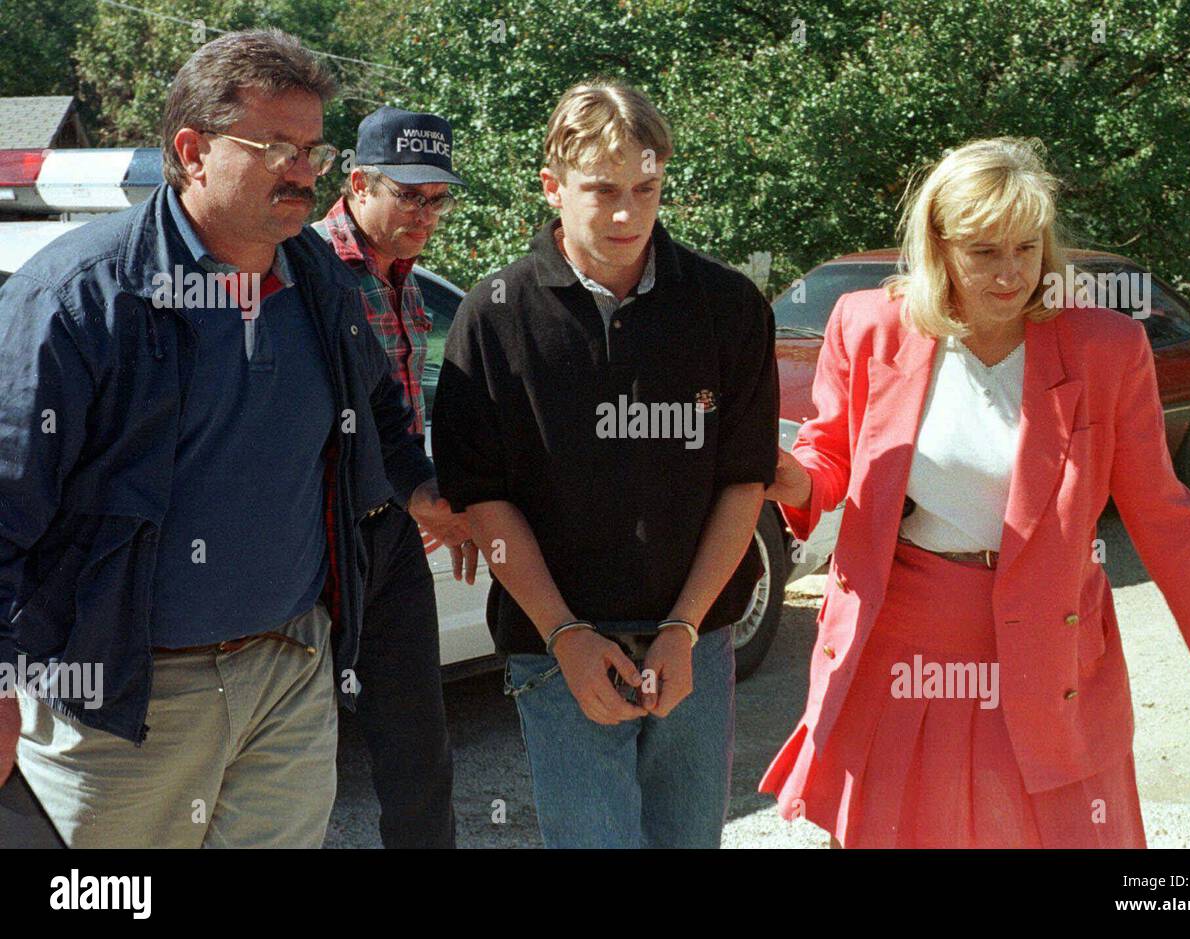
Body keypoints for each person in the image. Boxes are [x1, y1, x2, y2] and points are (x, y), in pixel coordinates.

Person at [0, 29, 469, 848]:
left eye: (313, 150)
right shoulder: (79, 298)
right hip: (126, 698)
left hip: (290, 672)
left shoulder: (318, 278)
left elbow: (377, 416)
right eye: (277, 148)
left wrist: (434, 494)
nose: (302, 171)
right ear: (192, 150)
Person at [760, 137, 1190, 848]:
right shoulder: (868, 324)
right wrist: (796, 476)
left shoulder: (1105, 347)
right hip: (908, 652)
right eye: (984, 252)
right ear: (939, 246)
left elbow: (1166, 521)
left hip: (1054, 652)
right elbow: (832, 451)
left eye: (1026, 248)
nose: (1011, 275)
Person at [431, 80, 778, 848]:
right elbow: (483, 498)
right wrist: (566, 636)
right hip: (556, 645)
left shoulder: (728, 306)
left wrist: (685, 629)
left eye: (646, 188)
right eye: (601, 191)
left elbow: (744, 481)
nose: (627, 214)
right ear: (552, 186)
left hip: (696, 637)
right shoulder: (493, 314)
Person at [313, 106, 467, 848]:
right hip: (317, 538)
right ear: (357, 183)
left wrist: (429, 498)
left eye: (438, 198)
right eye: (409, 195)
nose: (426, 214)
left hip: (394, 533)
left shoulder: (405, 276)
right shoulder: (306, 269)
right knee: (297, 752)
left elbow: (404, 419)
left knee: (419, 747)